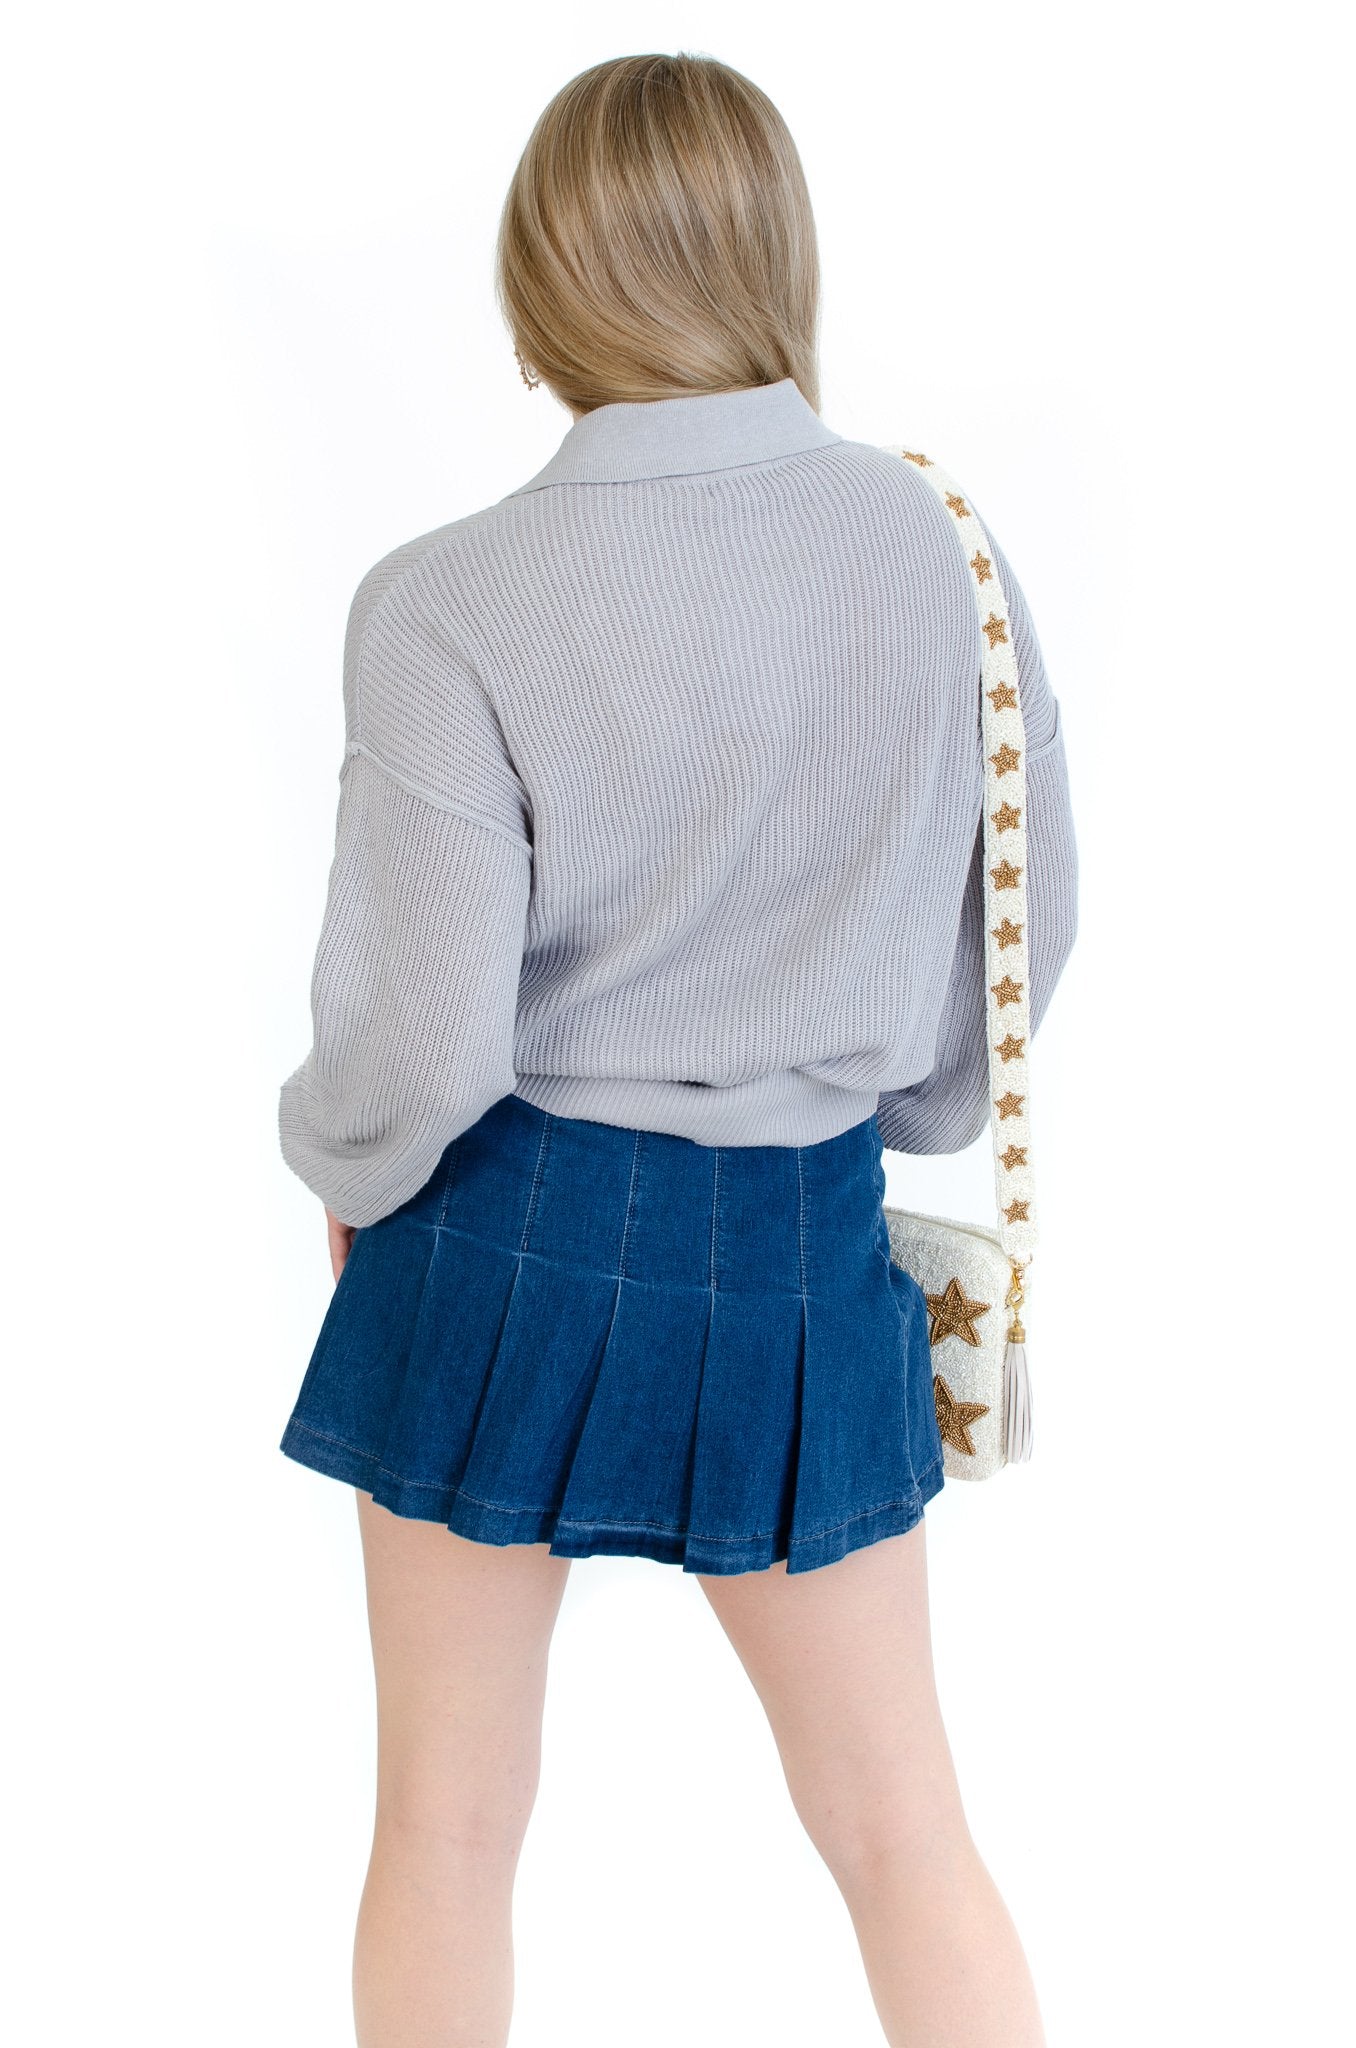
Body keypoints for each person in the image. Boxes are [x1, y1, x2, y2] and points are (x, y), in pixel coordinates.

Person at [275, 49, 1078, 2048]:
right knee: (903, 1832)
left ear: (536, 280)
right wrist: (882, 1101)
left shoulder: (442, 600)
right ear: (774, 254)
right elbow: (1021, 922)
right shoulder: (944, 550)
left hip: (498, 1235)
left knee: (446, 1831)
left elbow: (420, 1032)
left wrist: (350, 1171)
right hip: (802, 1243)